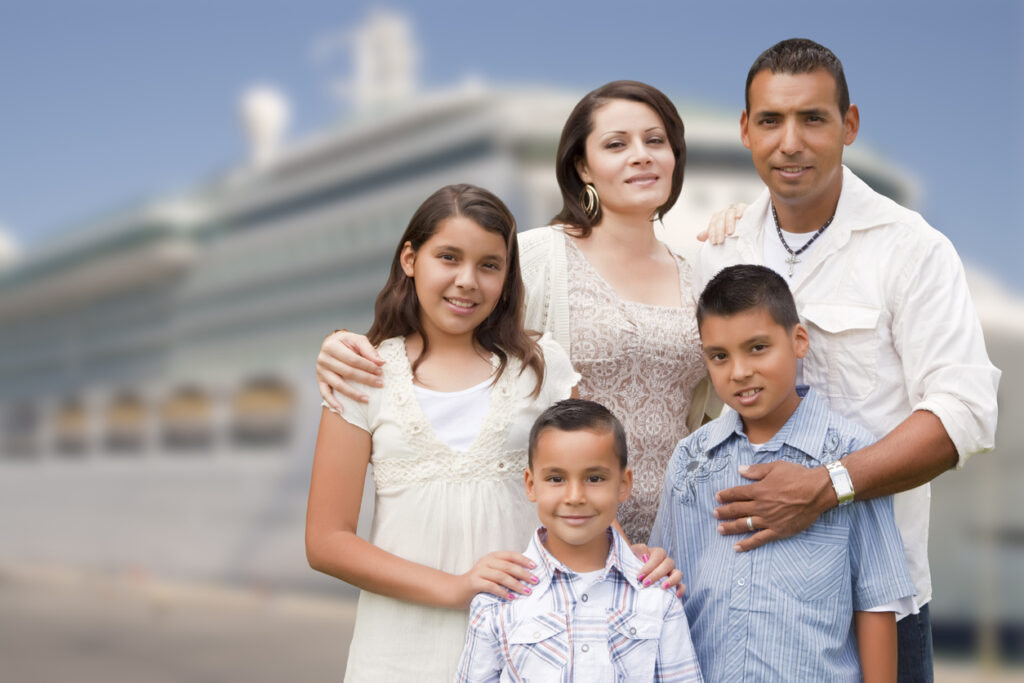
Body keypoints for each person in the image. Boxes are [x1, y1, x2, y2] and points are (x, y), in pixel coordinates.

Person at [698, 39, 1000, 681]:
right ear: (745, 131)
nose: (791, 142)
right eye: (772, 121)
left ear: (850, 125)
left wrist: (824, 488)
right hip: (742, 602)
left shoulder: (913, 251)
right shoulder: (717, 251)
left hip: (876, 600)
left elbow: (963, 415)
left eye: (813, 118)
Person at [315, 81, 721, 545]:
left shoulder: (700, 278)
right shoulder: (533, 257)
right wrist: (339, 343)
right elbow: (439, 326)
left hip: (676, 538)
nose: (642, 155)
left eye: (655, 141)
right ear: (583, 167)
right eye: (616, 144)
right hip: (557, 541)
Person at [305, 184, 581, 682]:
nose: (467, 281)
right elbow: (326, 541)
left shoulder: (543, 368)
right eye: (448, 257)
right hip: (397, 654)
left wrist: (639, 562)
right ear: (410, 258)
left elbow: (583, 495)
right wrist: (456, 587)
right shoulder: (362, 374)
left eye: (489, 265)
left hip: (524, 646)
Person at [652, 264, 915, 682]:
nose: (738, 371)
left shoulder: (851, 454)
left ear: (798, 341)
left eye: (757, 348)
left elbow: (876, 602)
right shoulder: (691, 459)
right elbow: (666, 594)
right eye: (719, 356)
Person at [456, 399, 703, 682]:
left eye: (594, 478)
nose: (575, 496)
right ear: (531, 484)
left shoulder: (657, 593)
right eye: (556, 478)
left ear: (624, 484)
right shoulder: (499, 599)